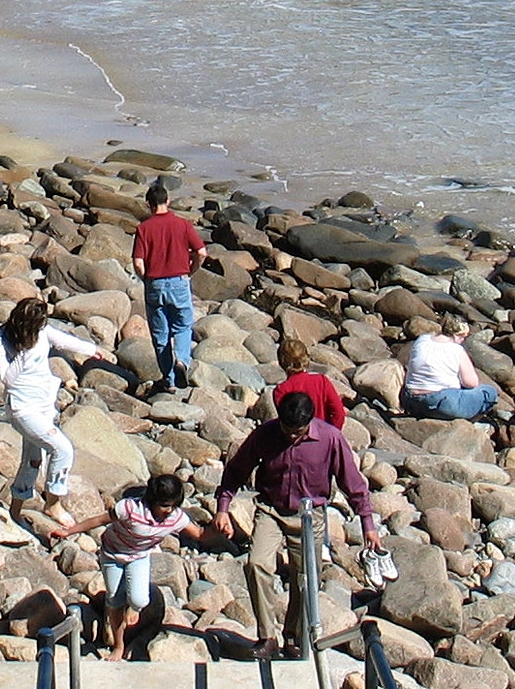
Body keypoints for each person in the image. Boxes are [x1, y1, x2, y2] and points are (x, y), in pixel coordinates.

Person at [213, 391, 384, 656]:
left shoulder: (330, 438)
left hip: (309, 514)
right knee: (256, 563)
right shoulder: (266, 434)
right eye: (287, 430)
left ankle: (293, 636)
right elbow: (237, 469)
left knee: (304, 578)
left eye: (298, 432)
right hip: (271, 509)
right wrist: (223, 507)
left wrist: (368, 525)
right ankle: (266, 636)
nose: (292, 437)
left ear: (309, 422)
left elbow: (353, 483)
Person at [51, 474, 210, 660]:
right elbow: (99, 521)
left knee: (140, 599)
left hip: (139, 557)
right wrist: (68, 531)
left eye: (174, 505)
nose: (170, 510)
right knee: (115, 601)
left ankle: (133, 608)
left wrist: (220, 526)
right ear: (152, 500)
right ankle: (119, 645)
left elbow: (199, 534)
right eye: (165, 505)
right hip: (112, 555)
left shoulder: (176, 517)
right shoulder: (129, 508)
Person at [0, 297, 108, 526]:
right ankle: (53, 503)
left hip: (43, 402)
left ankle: (15, 510)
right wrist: (25, 352)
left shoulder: (42, 331)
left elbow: (61, 340)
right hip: (22, 407)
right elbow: (7, 379)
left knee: (33, 459)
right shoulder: (0, 338)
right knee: (63, 449)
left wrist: (92, 350)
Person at [132, 184, 205, 394]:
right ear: (168, 201)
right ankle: (182, 360)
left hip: (155, 283)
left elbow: (138, 262)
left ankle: (169, 380)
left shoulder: (144, 228)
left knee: (160, 335)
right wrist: (191, 271)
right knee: (183, 326)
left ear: (149, 204)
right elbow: (201, 252)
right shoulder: (183, 224)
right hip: (179, 281)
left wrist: (146, 279)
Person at [402, 313, 498, 420]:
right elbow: (471, 383)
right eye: (463, 337)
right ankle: (469, 422)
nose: (463, 341)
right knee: (488, 392)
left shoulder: (422, 340)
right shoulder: (456, 350)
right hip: (441, 403)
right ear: (457, 335)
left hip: (410, 399)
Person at [273, 337, 346, 427]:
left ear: (281, 362)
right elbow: (339, 413)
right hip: (322, 435)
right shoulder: (321, 381)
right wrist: (331, 433)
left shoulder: (280, 390)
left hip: (296, 439)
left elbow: (286, 423)